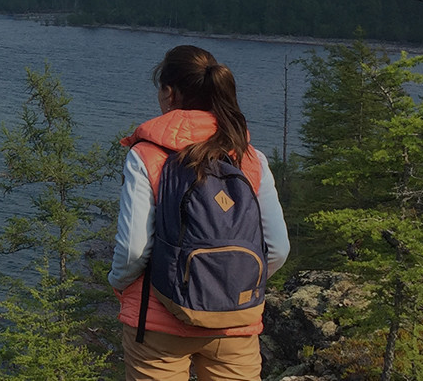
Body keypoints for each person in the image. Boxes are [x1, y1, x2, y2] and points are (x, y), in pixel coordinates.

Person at [108, 45, 290, 381]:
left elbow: (134, 248)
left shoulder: (147, 154)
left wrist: (119, 285)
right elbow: (277, 248)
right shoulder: (249, 157)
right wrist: (232, 282)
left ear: (169, 92)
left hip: (159, 323)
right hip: (235, 323)